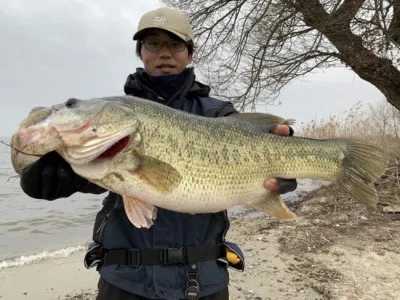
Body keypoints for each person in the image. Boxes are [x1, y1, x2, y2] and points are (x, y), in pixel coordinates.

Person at [19, 7, 297, 300]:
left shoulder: (220, 114)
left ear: (190, 55)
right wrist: (62, 176)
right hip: (125, 282)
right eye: (153, 43)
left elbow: (259, 165)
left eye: (176, 44)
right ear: (141, 52)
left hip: (203, 281)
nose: (165, 53)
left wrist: (282, 176)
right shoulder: (115, 118)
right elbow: (104, 176)